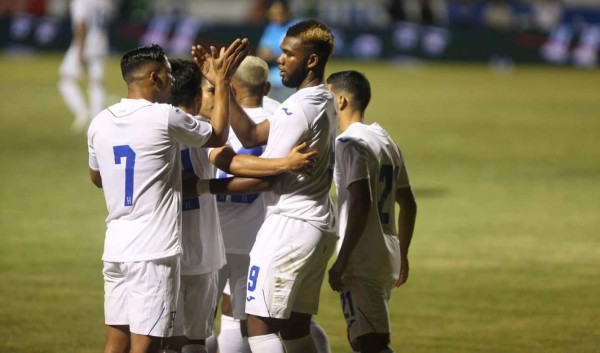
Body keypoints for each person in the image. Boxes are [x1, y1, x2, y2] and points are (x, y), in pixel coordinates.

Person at [87, 40, 247, 353]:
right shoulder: (165, 117)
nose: (173, 82)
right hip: (153, 252)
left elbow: (97, 177)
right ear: (155, 78)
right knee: (148, 345)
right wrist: (222, 81)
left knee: (115, 343)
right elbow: (217, 135)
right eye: (169, 74)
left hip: (116, 247)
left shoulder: (100, 121)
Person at [193, 19, 338, 353]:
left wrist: (208, 178)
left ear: (311, 60)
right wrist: (225, 83)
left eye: (288, 54)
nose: (279, 59)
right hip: (316, 222)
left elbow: (264, 176)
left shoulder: (297, 109)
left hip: (289, 224)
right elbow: (252, 136)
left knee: (258, 324)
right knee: (295, 327)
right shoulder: (321, 100)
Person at [164, 57, 318, 353]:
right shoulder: (271, 113)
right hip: (230, 241)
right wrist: (285, 164)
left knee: (166, 337)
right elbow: (233, 162)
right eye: (209, 91)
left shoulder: (154, 127)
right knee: (242, 324)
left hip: (165, 246)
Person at [326, 70, 417, 353]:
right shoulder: (385, 139)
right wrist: (403, 253)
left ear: (340, 101)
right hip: (385, 255)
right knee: (365, 339)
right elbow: (409, 203)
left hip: (361, 259)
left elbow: (360, 201)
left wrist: (342, 260)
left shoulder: (348, 143)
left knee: (370, 344)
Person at [59, 0, 112, 133]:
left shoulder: (80, 2)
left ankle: (81, 111)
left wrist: (79, 50)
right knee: (96, 82)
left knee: (65, 78)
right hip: (100, 42)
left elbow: (81, 24)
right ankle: (97, 119)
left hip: (86, 43)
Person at [256, 0, 299, 102]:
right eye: (273, 13)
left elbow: (298, 54)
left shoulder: (298, 27)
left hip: (290, 81)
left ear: (287, 11)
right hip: (272, 80)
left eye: (279, 12)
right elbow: (261, 53)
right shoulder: (271, 28)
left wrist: (273, 57)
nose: (275, 16)